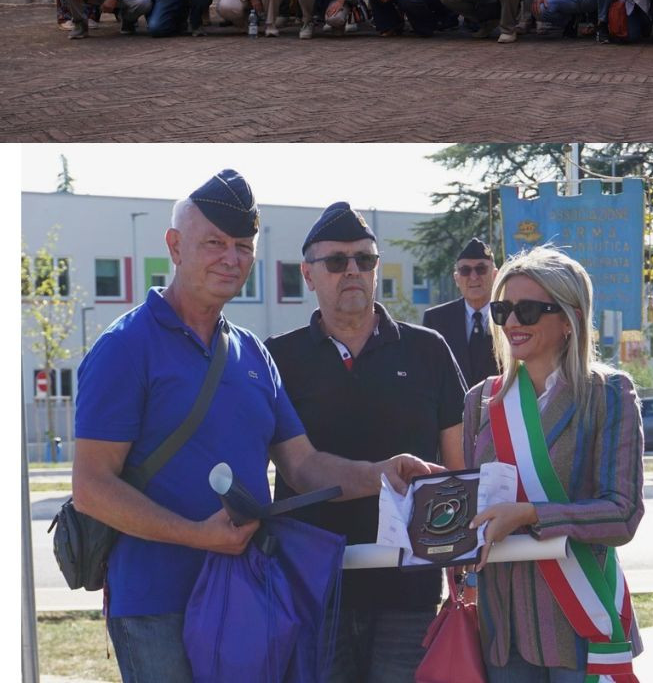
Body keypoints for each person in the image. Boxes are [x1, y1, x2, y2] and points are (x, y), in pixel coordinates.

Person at [71, 171, 439, 678]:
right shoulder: (125, 346)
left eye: (243, 246)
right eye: (215, 243)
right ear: (175, 246)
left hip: (243, 595)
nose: (231, 258)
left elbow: (304, 466)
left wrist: (385, 473)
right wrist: (198, 535)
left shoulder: (252, 354)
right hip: (156, 603)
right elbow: (91, 487)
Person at [266, 201, 468, 683]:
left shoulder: (428, 351)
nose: (352, 270)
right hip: (311, 589)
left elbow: (458, 468)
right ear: (309, 275)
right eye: (336, 261)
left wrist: (464, 566)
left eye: (365, 259)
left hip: (409, 589)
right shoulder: (276, 358)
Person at [458, 246, 648, 682]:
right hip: (502, 626)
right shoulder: (480, 401)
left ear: (569, 318)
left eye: (526, 309)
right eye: (502, 308)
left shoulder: (608, 393)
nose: (511, 323)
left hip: (577, 620)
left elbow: (622, 513)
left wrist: (530, 515)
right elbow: (476, 499)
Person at [423, 239, 501, 390]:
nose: (473, 277)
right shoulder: (436, 320)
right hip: (450, 412)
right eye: (465, 270)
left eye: (481, 269)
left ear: (495, 275)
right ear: (456, 278)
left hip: (498, 408)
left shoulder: (510, 316)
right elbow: (426, 374)